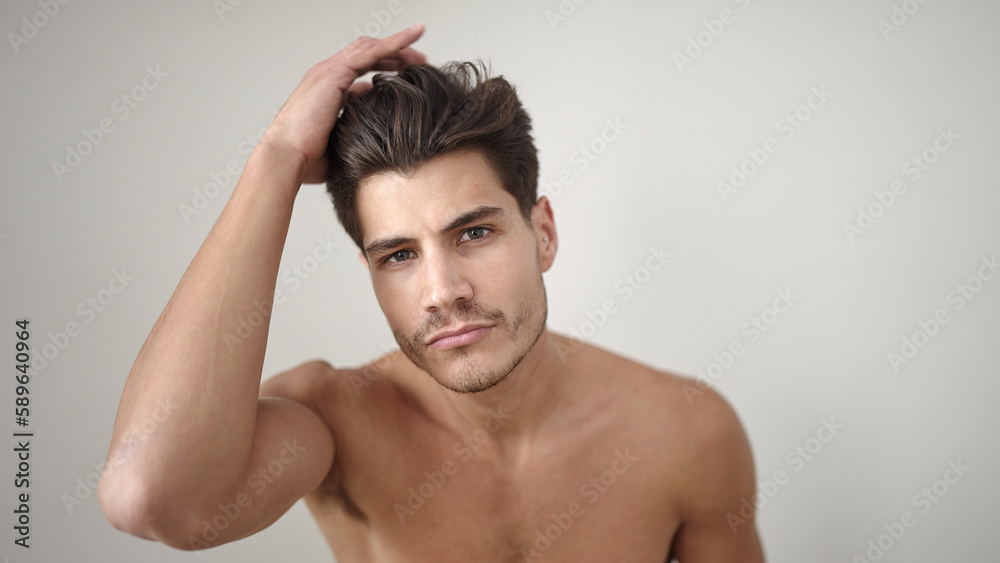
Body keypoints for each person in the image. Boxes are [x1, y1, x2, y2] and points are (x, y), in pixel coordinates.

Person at [98, 24, 765, 562]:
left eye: (473, 232)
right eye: (400, 255)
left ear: (544, 233)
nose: (442, 291)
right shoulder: (335, 423)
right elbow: (150, 495)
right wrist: (274, 159)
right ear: (371, 272)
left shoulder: (686, 430)